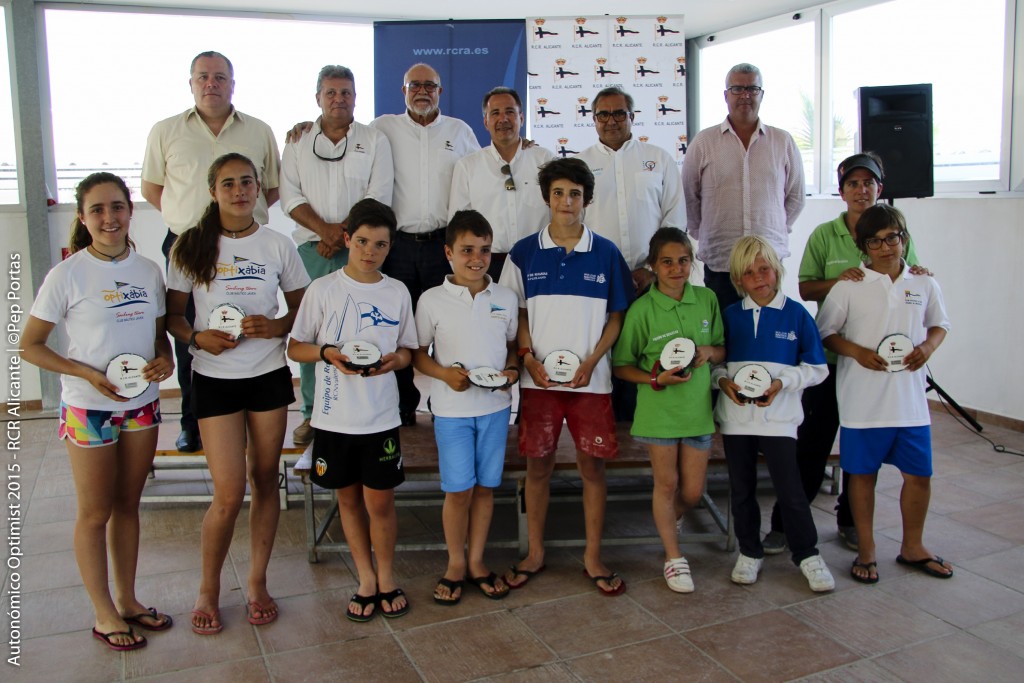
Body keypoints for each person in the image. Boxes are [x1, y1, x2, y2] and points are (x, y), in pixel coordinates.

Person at [21, 173, 175, 651]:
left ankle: (128, 600)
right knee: (94, 512)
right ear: (83, 218)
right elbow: (29, 346)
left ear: (131, 211)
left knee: (128, 505)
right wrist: (86, 374)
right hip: (89, 409)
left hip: (140, 406)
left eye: (117, 207)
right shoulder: (67, 274)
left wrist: (165, 358)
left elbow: (157, 337)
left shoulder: (150, 270)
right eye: (97, 210)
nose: (109, 218)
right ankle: (104, 611)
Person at [166, 153, 308, 635]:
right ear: (213, 192)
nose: (240, 190)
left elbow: (299, 309)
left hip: (267, 373)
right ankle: (208, 588)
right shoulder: (191, 246)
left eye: (247, 181)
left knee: (266, 479)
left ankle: (256, 582)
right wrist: (195, 338)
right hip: (214, 377)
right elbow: (174, 317)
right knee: (228, 493)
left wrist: (277, 326)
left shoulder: (278, 244)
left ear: (258, 188)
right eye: (228, 183)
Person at [764, 152, 929, 555]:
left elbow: (914, 279)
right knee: (811, 448)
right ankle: (786, 525)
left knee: (861, 455)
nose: (861, 190)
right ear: (842, 192)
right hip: (832, 363)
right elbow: (805, 289)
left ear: (879, 189)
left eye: (868, 183)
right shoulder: (825, 234)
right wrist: (841, 282)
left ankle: (851, 522)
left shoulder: (900, 233)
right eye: (852, 184)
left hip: (879, 372)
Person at [498, 158, 633, 596]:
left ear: (587, 200)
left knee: (592, 468)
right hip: (539, 383)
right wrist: (526, 357)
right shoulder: (523, 252)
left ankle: (593, 556)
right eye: (558, 193)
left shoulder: (608, 252)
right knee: (538, 467)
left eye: (575, 194)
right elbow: (516, 312)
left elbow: (617, 315)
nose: (566, 201)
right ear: (546, 197)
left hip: (590, 384)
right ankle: (535, 553)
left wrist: (593, 361)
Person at [142, 50, 281, 453]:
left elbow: (271, 186)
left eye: (220, 77)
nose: (211, 84)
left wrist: (239, 224)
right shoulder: (166, 130)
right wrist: (194, 227)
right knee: (194, 340)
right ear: (191, 83)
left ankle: (251, 419)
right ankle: (194, 423)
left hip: (247, 245)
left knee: (247, 331)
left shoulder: (258, 130)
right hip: (190, 246)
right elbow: (153, 188)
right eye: (202, 77)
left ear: (232, 84)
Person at [287, 198, 418, 621]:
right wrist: (328, 353)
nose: (370, 251)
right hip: (333, 419)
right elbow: (296, 346)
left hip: (380, 418)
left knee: (380, 503)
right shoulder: (323, 289)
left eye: (380, 244)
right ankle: (364, 578)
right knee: (347, 500)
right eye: (362, 241)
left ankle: (386, 576)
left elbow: (407, 352)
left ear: (390, 247)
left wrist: (391, 362)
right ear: (347, 239)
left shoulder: (396, 291)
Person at [816, 204, 951, 584]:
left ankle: (913, 547)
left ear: (903, 239)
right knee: (861, 475)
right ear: (864, 247)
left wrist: (928, 348)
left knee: (919, 475)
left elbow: (940, 325)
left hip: (910, 403)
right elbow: (827, 332)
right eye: (875, 241)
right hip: (863, 404)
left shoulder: (924, 283)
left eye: (892, 238)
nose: (885, 247)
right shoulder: (849, 286)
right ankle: (867, 549)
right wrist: (857, 352)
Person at [712, 236, 835, 592]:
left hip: (780, 420)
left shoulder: (797, 314)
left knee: (790, 489)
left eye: (764, 268)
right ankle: (750, 552)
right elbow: (714, 367)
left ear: (776, 269)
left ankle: (808, 555)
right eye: (749, 273)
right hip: (736, 420)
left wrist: (782, 382)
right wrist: (724, 384)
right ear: (738, 280)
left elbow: (817, 368)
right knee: (742, 489)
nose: (758, 277)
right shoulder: (730, 317)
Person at [280, 65, 394, 447]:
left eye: (346, 92)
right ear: (317, 97)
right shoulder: (297, 141)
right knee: (314, 335)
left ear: (355, 98)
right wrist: (327, 232)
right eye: (330, 92)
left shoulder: (374, 139)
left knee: (364, 330)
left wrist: (343, 234)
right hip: (312, 250)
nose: (338, 99)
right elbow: (290, 196)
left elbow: (377, 195)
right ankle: (314, 413)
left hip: (360, 249)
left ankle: (367, 408)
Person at [414, 210, 519, 605]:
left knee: (486, 488)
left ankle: (477, 562)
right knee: (459, 490)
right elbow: (417, 354)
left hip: (494, 409)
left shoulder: (505, 297)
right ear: (448, 252)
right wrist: (444, 375)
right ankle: (455, 563)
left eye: (485, 250)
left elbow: (512, 346)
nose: (477, 258)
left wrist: (511, 369)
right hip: (451, 412)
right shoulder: (431, 300)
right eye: (467, 250)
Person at [611, 228, 724, 593]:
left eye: (683, 261)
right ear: (653, 266)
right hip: (659, 413)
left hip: (697, 414)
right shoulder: (642, 310)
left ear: (692, 262)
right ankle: (674, 558)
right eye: (667, 262)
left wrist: (710, 353)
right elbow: (622, 366)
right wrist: (655, 379)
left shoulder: (706, 300)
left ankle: (669, 518)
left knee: (692, 492)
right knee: (667, 483)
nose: (677, 269)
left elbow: (721, 347)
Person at [371, 63, 480, 425]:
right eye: (414, 85)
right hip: (397, 246)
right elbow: (344, 134)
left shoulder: (460, 131)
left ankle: (443, 399)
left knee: (444, 326)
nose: (422, 91)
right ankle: (403, 403)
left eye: (429, 86)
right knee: (400, 327)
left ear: (440, 92)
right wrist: (305, 127)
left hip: (441, 246)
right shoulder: (381, 129)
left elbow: (483, 171)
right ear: (402, 91)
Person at [682, 63, 805, 312]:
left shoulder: (783, 142)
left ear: (762, 94)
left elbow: (796, 197)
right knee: (724, 337)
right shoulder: (704, 141)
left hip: (767, 263)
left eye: (752, 88)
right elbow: (689, 195)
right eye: (737, 88)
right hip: (721, 261)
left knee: (767, 334)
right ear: (726, 95)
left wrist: (778, 227)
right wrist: (703, 231)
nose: (745, 95)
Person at [577, 87, 685, 293]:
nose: (611, 121)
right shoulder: (579, 164)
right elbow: (573, 222)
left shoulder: (659, 158)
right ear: (594, 119)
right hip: (597, 277)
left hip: (653, 278)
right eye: (603, 115)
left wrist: (652, 268)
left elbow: (675, 216)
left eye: (619, 113)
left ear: (632, 117)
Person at [449, 87, 554, 280]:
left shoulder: (545, 160)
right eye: (495, 113)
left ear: (521, 118)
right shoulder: (468, 166)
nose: (503, 119)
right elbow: (458, 225)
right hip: (488, 265)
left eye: (510, 112)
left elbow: (561, 211)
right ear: (485, 122)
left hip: (540, 260)